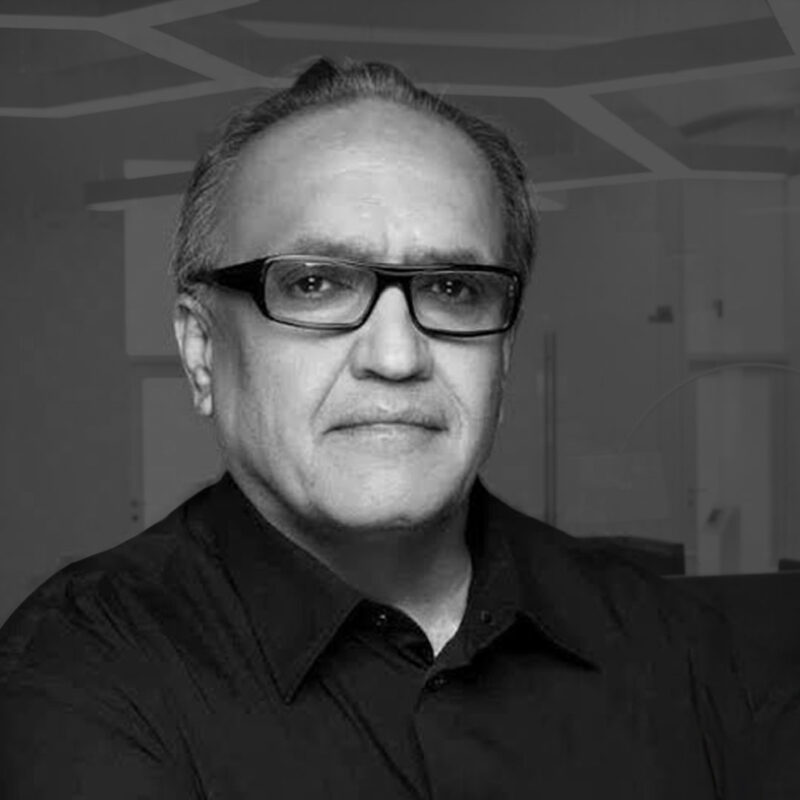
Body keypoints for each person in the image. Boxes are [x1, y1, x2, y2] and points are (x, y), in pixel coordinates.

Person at [0, 57, 777, 798]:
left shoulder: (680, 647)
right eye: (314, 283)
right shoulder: (77, 674)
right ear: (202, 351)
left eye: (453, 288)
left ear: (502, 353)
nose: (397, 356)